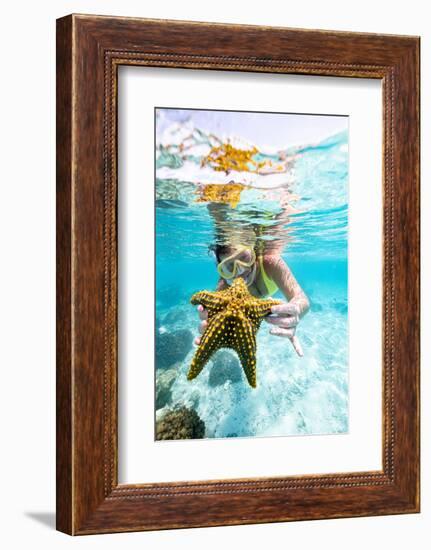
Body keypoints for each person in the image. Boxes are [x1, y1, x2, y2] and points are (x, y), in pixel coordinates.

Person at [195, 242, 310, 357]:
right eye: (230, 266)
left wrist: (296, 310)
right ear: (222, 270)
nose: (241, 270)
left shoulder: (270, 263)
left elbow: (301, 298)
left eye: (244, 257)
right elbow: (215, 321)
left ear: (253, 252)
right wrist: (212, 329)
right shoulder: (224, 287)